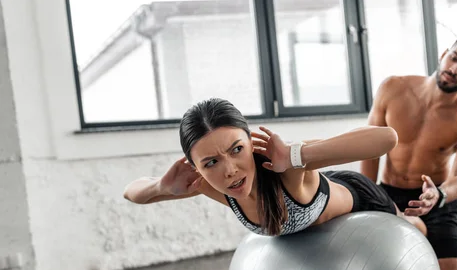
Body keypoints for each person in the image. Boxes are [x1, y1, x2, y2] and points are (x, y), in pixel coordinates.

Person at [124, 97, 411, 237]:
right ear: (197, 166)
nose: (230, 171)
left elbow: (386, 138)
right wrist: (163, 187)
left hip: (361, 198)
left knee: (417, 229)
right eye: (211, 162)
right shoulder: (205, 185)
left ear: (250, 143)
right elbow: (131, 192)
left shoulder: (285, 165)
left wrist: (297, 156)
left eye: (237, 149)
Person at [361, 28, 457, 270]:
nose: (455, 68)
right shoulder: (393, 88)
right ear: (444, 54)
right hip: (389, 192)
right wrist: (369, 195)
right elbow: (370, 147)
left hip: (435, 198)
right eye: (454, 58)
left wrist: (440, 195)